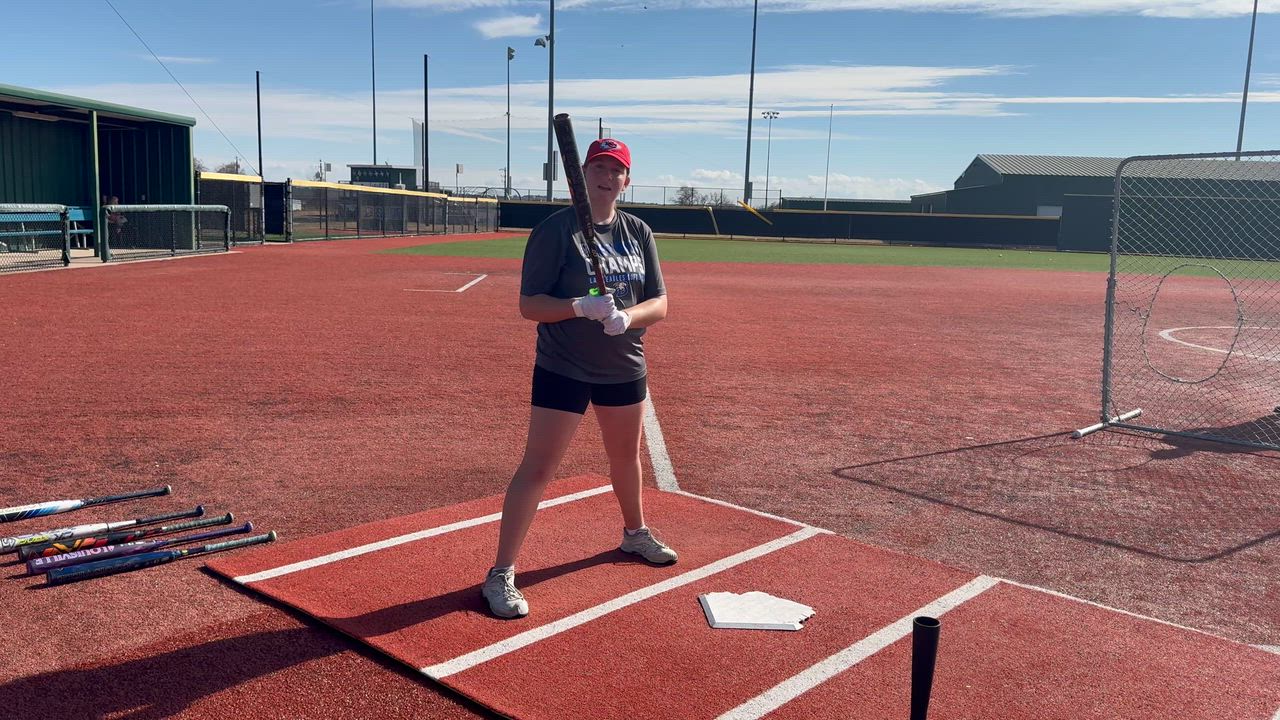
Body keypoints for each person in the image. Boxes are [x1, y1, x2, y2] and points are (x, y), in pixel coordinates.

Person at [483, 137, 675, 619]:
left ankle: (634, 534)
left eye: (616, 170)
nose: (607, 177)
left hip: (624, 365)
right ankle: (501, 572)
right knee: (538, 467)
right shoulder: (555, 231)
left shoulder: (638, 232)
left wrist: (628, 318)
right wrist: (578, 307)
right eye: (599, 168)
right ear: (583, 174)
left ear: (627, 180)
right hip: (563, 366)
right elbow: (530, 305)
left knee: (625, 458)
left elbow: (659, 303)